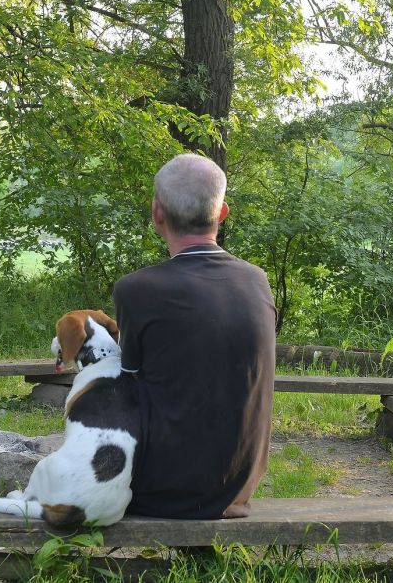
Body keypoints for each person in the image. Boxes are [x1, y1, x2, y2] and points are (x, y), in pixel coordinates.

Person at [113, 153, 276, 520]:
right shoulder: (257, 280)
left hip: (162, 494)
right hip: (237, 487)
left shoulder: (135, 290)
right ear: (222, 213)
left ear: (157, 213)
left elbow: (128, 382)